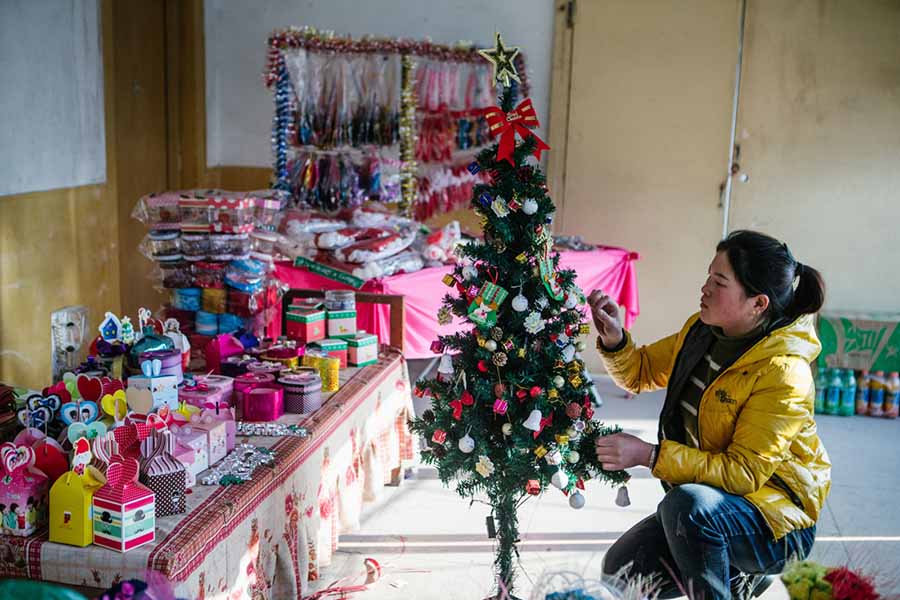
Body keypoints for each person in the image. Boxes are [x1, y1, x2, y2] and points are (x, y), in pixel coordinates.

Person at [588, 230, 831, 600]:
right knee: (623, 571)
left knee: (687, 508)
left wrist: (650, 456)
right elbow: (639, 372)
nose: (704, 288)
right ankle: (738, 578)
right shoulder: (702, 332)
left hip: (777, 525)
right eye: (708, 276)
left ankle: (745, 573)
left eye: (719, 282)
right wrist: (615, 338)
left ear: (758, 303)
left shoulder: (784, 372)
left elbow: (744, 473)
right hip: (708, 507)